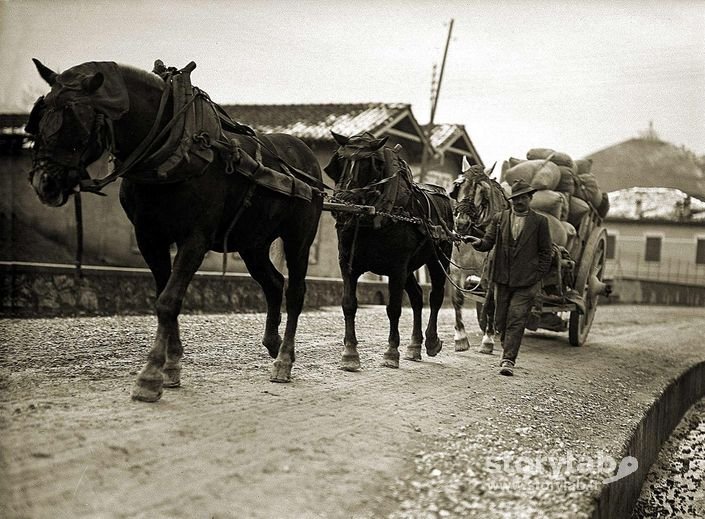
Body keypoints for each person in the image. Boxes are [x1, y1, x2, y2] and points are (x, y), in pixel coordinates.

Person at [465, 178, 553, 376]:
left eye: (523, 198)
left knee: (516, 318)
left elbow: (546, 253)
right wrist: (477, 242)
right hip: (502, 279)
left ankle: (508, 359)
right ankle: (507, 346)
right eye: (515, 198)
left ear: (530, 199)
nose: (519, 202)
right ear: (511, 200)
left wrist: (536, 275)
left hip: (526, 282)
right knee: (501, 319)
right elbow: (488, 242)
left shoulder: (540, 222)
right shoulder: (500, 218)